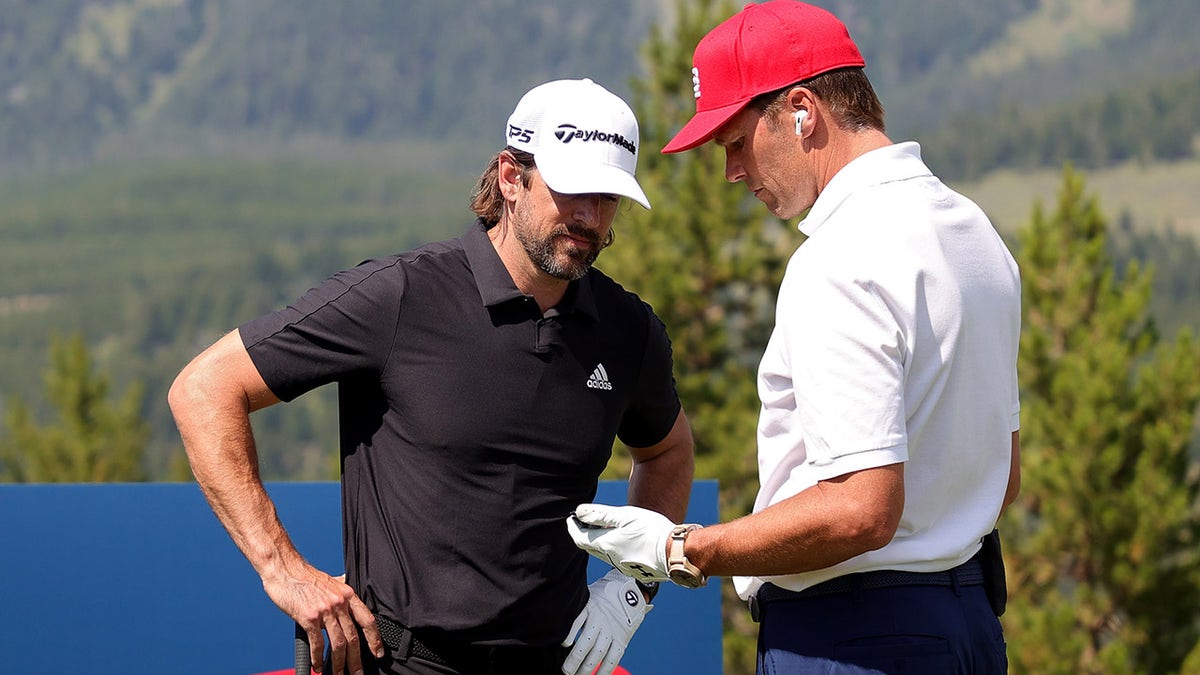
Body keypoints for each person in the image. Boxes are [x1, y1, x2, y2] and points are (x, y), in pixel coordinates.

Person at [169, 77, 695, 675]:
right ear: (509, 177)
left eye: (607, 196)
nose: (589, 216)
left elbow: (667, 452)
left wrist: (631, 592)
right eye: (571, 189)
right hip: (399, 661)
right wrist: (282, 569)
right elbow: (204, 387)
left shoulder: (628, 329)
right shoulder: (402, 295)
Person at [567, 2, 1021, 673]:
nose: (732, 172)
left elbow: (861, 510)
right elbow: (1003, 476)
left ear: (802, 111)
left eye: (736, 141)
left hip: (854, 636)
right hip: (968, 623)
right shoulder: (973, 232)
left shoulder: (839, 255)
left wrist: (683, 548)